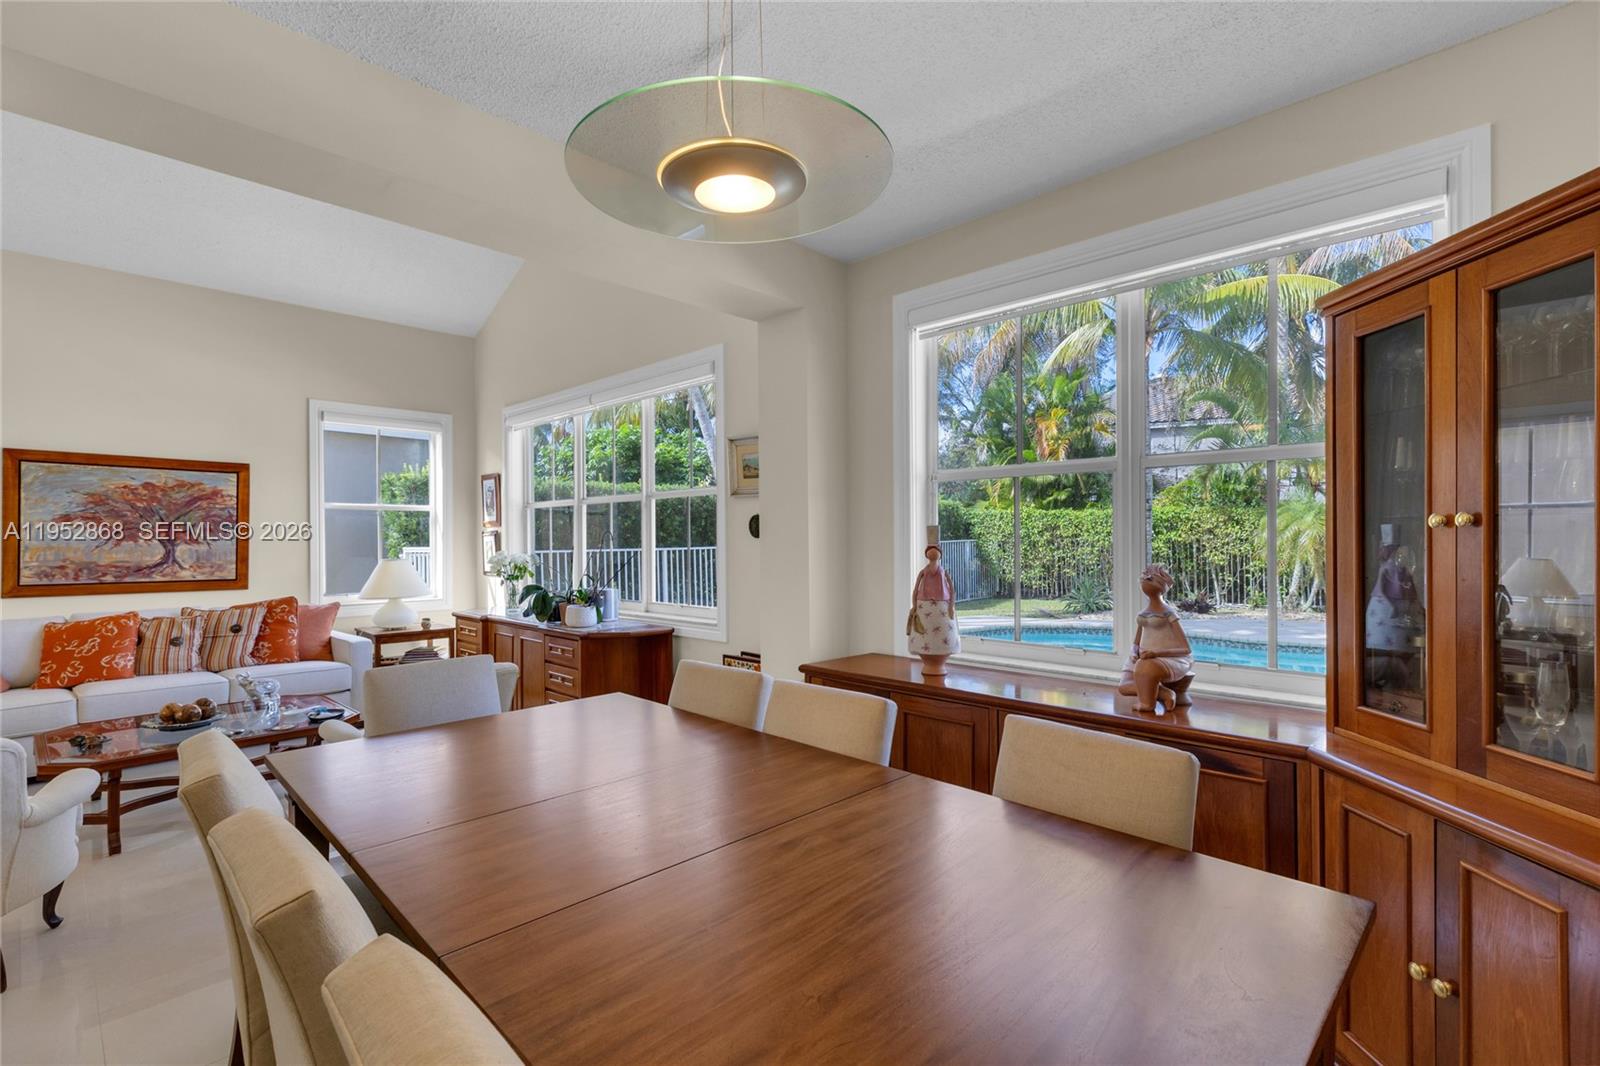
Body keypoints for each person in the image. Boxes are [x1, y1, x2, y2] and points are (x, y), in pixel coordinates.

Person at [1119, 564, 1195, 713]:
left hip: (1167, 658)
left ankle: (1147, 703)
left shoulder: (1168, 613)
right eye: (1145, 577)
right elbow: (1138, 638)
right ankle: (1163, 693)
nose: (1146, 579)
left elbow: (1185, 649)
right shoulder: (1143, 613)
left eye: (1151, 578)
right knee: (1124, 686)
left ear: (1163, 586)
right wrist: (1134, 652)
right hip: (1144, 657)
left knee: (1145, 667)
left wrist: (1156, 653)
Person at [907, 537, 960, 676]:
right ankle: (929, 659)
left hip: (943, 604)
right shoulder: (924, 571)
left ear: (939, 554)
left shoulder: (943, 571)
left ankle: (938, 660)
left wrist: (951, 606)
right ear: (926, 554)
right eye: (930, 550)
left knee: (942, 632)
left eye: (935, 550)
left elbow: (951, 588)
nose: (933, 552)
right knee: (925, 632)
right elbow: (915, 588)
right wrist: (915, 607)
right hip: (924, 604)